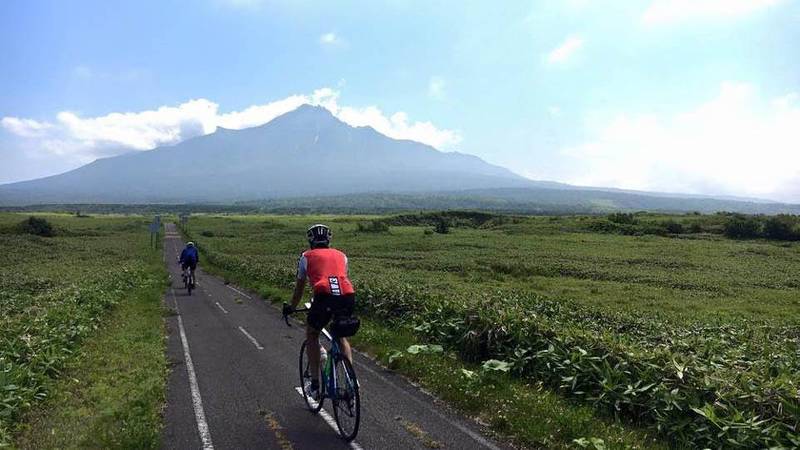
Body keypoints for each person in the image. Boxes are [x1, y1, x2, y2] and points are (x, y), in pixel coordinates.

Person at [283, 224, 355, 399]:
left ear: (311, 240)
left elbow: (299, 289)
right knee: (340, 336)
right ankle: (350, 382)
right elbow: (339, 279)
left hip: (323, 297)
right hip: (347, 296)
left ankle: (315, 385)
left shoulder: (305, 257)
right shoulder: (342, 256)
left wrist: (291, 307)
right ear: (328, 240)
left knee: (312, 334)